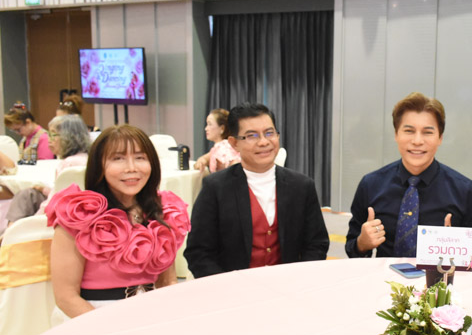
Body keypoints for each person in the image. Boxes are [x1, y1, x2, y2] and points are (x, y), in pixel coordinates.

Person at [47, 125, 190, 319]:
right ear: (99, 165)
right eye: (118, 158)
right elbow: (66, 297)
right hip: (92, 317)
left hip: (151, 314)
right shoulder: (78, 215)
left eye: (140, 157)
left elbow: (167, 282)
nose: (131, 168)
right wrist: (113, 329)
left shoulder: (162, 212)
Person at [185, 103, 329, 277]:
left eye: (269, 133)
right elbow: (198, 252)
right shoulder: (215, 188)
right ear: (234, 143)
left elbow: (317, 244)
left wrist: (299, 278)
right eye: (251, 136)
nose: (264, 142)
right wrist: (226, 286)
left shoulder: (302, 186)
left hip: (289, 284)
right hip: (232, 287)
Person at [345, 92, 472, 260]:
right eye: (409, 131)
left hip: (441, 277)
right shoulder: (371, 185)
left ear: (440, 138)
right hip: (384, 276)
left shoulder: (465, 192)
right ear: (396, 134)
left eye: (427, 132)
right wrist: (362, 244)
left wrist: (456, 250)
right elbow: (352, 248)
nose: (417, 141)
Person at [5, 114, 90, 223]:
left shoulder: (69, 164)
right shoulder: (85, 158)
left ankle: (10, 231)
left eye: (53, 134)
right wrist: (44, 189)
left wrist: (30, 222)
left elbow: (54, 202)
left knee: (25, 197)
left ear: (69, 137)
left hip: (55, 217)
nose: (49, 139)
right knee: (29, 194)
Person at [193, 108, 240, 174]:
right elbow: (204, 158)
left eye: (210, 124)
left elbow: (236, 166)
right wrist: (202, 161)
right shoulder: (219, 147)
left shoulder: (224, 147)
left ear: (222, 128)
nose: (206, 129)